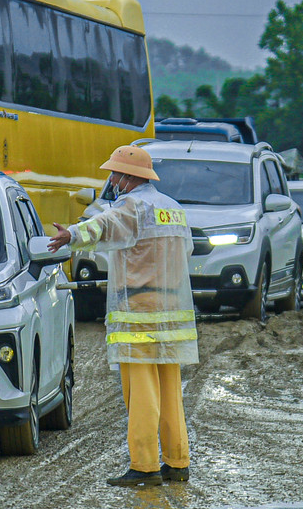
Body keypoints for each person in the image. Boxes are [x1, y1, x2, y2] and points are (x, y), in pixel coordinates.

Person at [49, 145, 197, 487]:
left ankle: (144, 466)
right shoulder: (172, 209)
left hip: (139, 314)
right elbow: (185, 250)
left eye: (115, 174)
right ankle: (177, 462)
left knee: (141, 392)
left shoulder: (133, 206)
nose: (112, 180)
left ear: (130, 178)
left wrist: (71, 235)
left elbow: (104, 226)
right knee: (171, 390)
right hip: (171, 314)